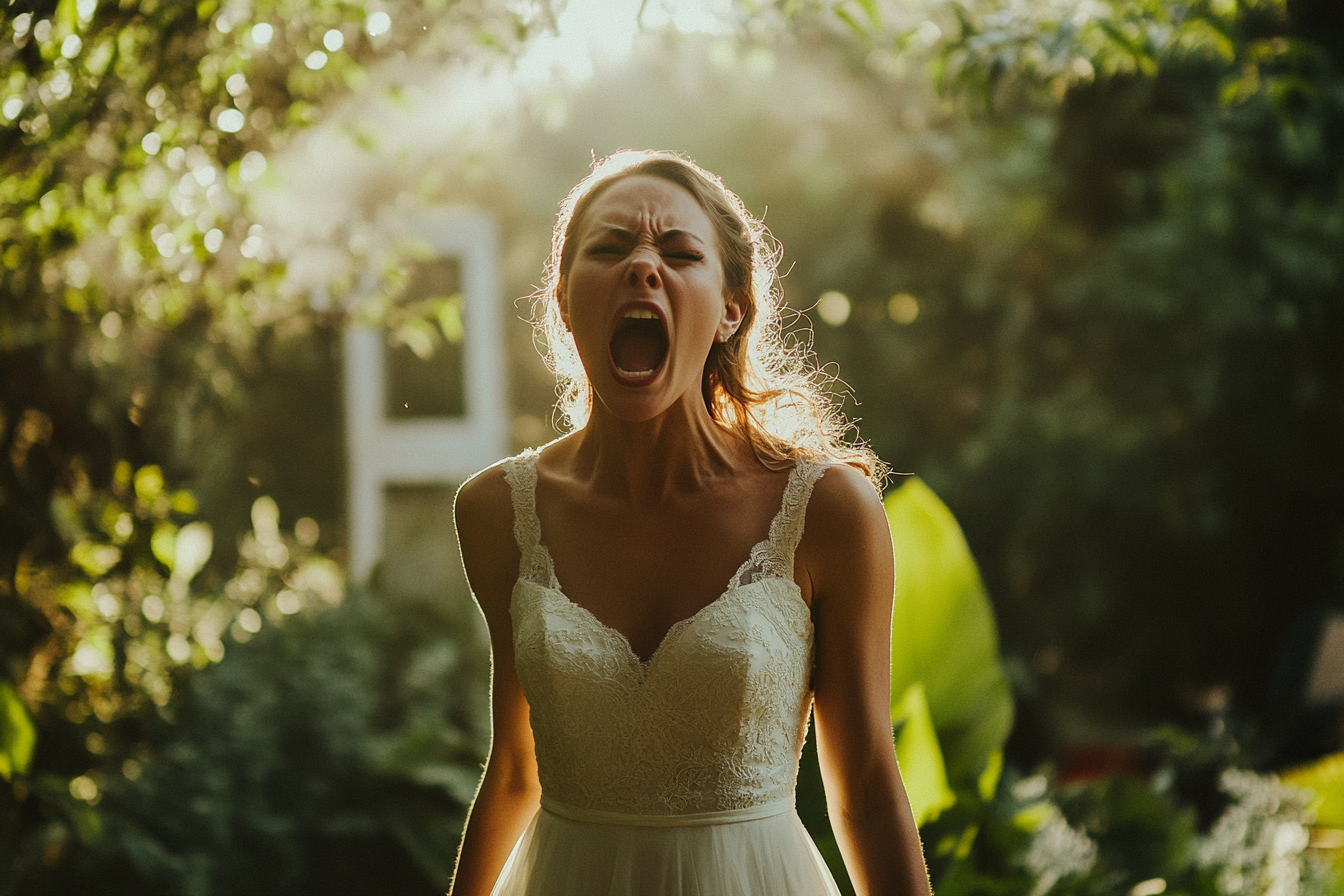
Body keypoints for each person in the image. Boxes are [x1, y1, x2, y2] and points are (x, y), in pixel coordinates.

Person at [450, 150, 931, 896]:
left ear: (730, 309)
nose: (644, 267)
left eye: (679, 252)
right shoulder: (495, 514)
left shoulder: (827, 512)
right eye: (610, 247)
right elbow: (515, 769)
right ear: (567, 304)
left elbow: (866, 787)